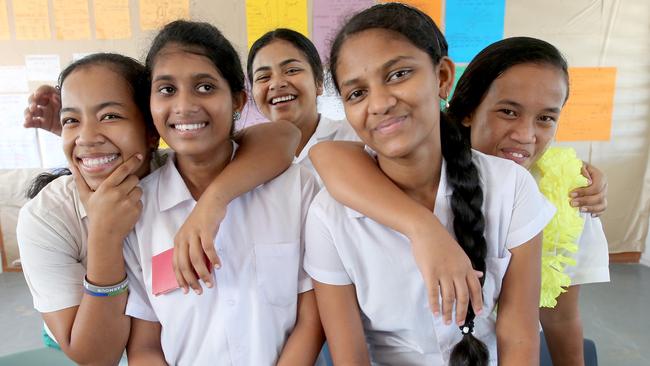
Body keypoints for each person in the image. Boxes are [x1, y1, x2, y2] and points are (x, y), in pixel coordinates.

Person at [312, 33, 610, 366]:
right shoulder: (391, 150)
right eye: (508, 112)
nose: (526, 135)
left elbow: (556, 321)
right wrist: (424, 228)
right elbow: (328, 154)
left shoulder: (561, 191)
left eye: (546, 118)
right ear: (467, 110)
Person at [17, 53, 300, 364]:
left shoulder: (173, 170)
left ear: (152, 131)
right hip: (86, 332)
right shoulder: (46, 217)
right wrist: (104, 239)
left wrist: (212, 201)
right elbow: (95, 356)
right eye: (72, 120)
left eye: (110, 116)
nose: (86, 137)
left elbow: (281, 135)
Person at [122, 20, 323, 365]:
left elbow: (312, 318)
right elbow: (144, 346)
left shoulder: (295, 188)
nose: (184, 106)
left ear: (238, 101)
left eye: (204, 87)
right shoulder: (138, 211)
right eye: (167, 89)